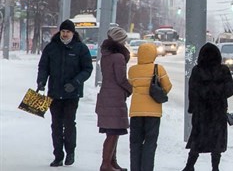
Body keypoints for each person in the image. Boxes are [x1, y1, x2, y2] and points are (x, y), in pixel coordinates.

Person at [36, 19, 93, 167]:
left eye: (68, 32)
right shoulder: (51, 48)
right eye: (63, 31)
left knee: (69, 124)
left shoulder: (81, 49)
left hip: (72, 94)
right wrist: (41, 81)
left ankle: (70, 152)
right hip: (54, 93)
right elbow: (43, 67)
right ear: (60, 32)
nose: (65, 34)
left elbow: (87, 69)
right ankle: (58, 156)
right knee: (56, 125)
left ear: (73, 33)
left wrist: (75, 82)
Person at [183, 43, 233, 171]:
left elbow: (192, 91)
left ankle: (189, 166)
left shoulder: (197, 70)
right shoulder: (223, 70)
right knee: (217, 140)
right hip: (218, 112)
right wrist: (219, 93)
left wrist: (192, 108)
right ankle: (215, 167)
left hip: (201, 112)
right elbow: (231, 88)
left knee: (197, 139)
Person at [128, 43, 172, 171]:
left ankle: (135, 168)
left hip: (136, 112)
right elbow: (167, 86)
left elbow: (130, 86)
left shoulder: (132, 70)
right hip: (153, 112)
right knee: (150, 143)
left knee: (135, 143)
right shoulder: (159, 69)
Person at [96, 27, 133, 171]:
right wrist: (131, 89)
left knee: (113, 132)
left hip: (106, 96)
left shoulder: (106, 55)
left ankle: (112, 162)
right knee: (113, 134)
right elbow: (121, 79)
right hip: (115, 98)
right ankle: (106, 164)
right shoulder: (118, 57)